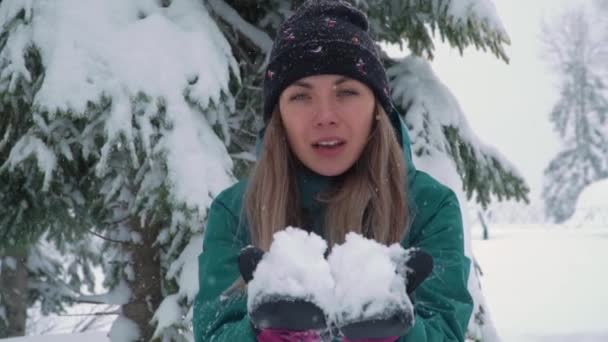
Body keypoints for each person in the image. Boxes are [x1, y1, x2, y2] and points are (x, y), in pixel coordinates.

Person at [193, 0, 473, 341]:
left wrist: (400, 334)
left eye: (347, 92)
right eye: (301, 96)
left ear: (377, 108)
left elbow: (446, 331)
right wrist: (263, 335)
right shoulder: (235, 211)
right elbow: (213, 333)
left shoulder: (429, 205)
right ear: (278, 115)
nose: (325, 115)